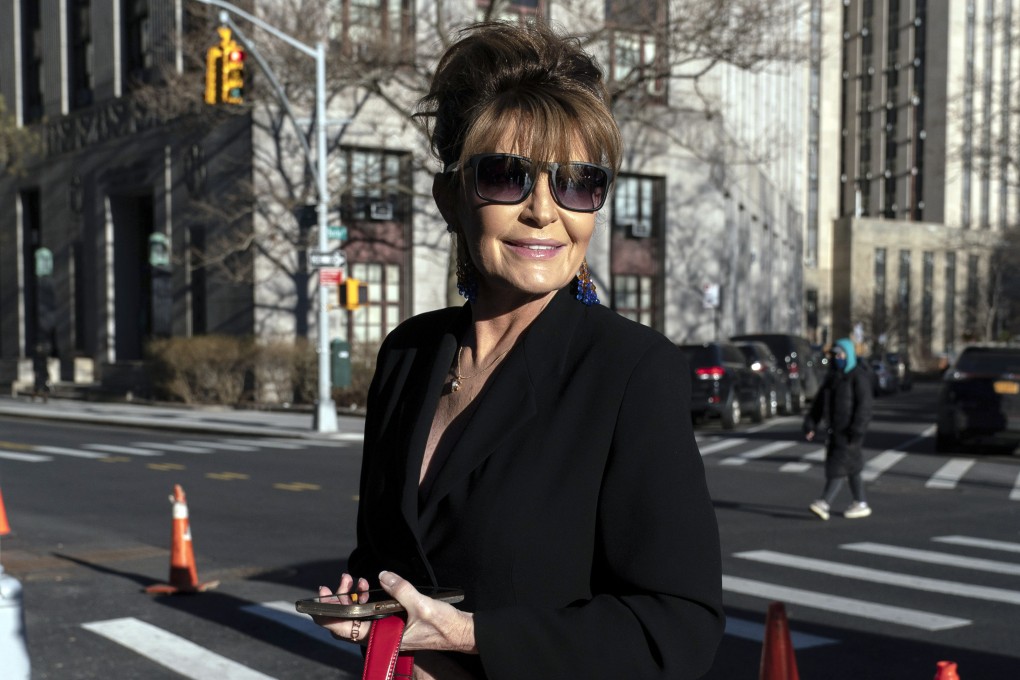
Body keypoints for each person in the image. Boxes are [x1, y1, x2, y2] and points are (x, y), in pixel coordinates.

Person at [311, 21, 724, 680]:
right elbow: (387, 557)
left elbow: (679, 627)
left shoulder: (629, 372)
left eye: (578, 183)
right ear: (451, 197)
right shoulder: (408, 354)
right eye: (506, 176)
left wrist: (472, 636)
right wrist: (371, 610)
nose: (543, 210)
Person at [803, 338, 874, 520]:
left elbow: (864, 406)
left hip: (849, 431)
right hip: (835, 430)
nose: (837, 358)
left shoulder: (858, 377)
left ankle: (824, 502)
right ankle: (861, 502)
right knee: (852, 467)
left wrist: (857, 428)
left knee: (838, 465)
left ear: (849, 355)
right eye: (835, 355)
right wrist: (811, 424)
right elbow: (819, 404)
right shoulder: (832, 378)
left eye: (841, 355)